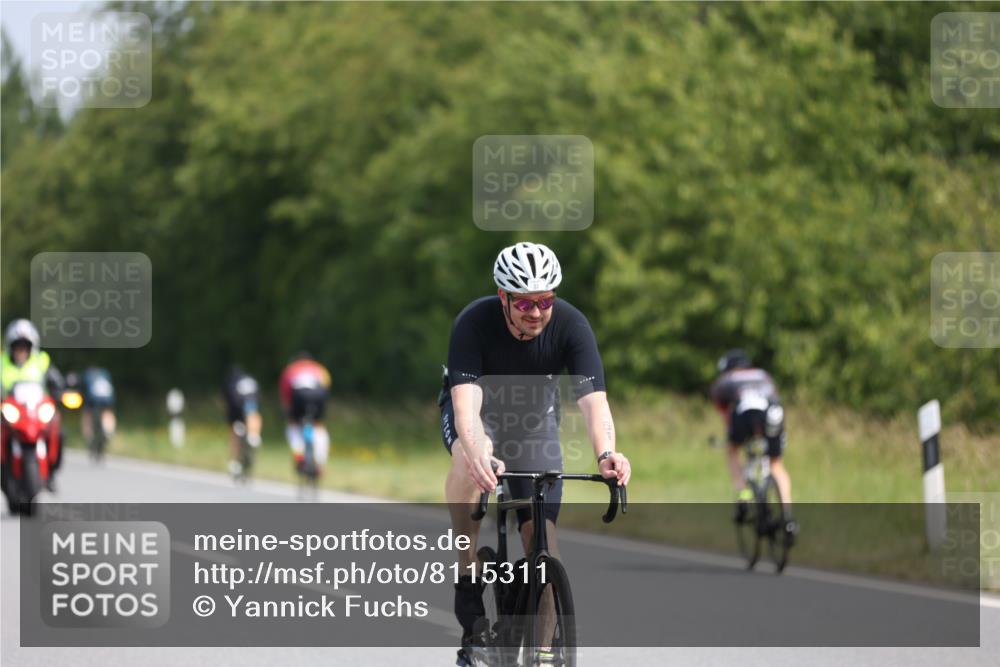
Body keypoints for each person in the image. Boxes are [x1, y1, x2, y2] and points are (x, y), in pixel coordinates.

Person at [441, 242, 631, 667]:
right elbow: (466, 411)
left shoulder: (571, 325)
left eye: (545, 300)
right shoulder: (474, 323)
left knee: (541, 538)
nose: (536, 312)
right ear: (502, 296)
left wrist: (607, 455)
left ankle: (544, 654)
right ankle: (467, 566)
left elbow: (594, 402)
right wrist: (479, 454)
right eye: (524, 301)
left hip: (531, 424)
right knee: (470, 460)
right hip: (479, 418)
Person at [710, 349, 797, 541]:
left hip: (744, 413)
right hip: (773, 414)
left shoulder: (726, 380)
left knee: (732, 452)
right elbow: (776, 400)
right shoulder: (763, 375)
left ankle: (744, 495)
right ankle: (788, 518)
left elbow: (725, 412)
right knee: (776, 464)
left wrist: (732, 438)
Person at [1, 319, 65, 489]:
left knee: (58, 431)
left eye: (25, 346)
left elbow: (56, 380)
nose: (21, 350)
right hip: (9, 413)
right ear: (10, 346)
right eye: (17, 346)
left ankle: (51, 471)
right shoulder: (2, 363)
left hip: (36, 413)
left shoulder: (41, 361)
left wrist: (60, 390)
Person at [278, 353, 331, 477]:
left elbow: (286, 397)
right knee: (319, 426)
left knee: (294, 425)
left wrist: (289, 415)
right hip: (318, 394)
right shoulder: (319, 368)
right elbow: (327, 387)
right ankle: (320, 461)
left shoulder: (290, 370)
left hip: (299, 395)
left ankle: (299, 455)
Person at [222, 366, 262, 478]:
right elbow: (259, 397)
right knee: (255, 414)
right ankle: (254, 435)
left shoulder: (231, 381)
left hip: (237, 405)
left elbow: (228, 402)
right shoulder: (251, 380)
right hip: (252, 403)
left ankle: (234, 462)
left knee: (234, 430)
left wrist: (231, 420)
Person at [79, 367, 117, 455]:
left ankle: (89, 437)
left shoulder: (87, 375)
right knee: (107, 412)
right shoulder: (105, 373)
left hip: (92, 398)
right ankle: (108, 432)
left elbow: (83, 390)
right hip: (107, 397)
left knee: (87, 414)